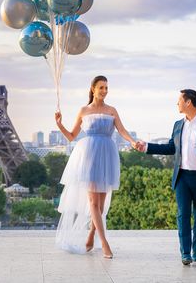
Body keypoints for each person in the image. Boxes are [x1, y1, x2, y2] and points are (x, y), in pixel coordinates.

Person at [135, 89, 196, 265]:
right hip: (182, 177)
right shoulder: (178, 124)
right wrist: (146, 147)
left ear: (188, 102)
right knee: (182, 214)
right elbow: (171, 148)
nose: (177, 103)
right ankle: (185, 253)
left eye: (179, 100)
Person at [54, 74, 137, 257]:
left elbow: (122, 130)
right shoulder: (84, 110)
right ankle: (105, 244)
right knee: (93, 202)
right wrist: (60, 125)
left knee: (99, 204)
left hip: (107, 155)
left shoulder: (112, 110)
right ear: (93, 89)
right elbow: (71, 136)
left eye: (106, 88)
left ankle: (91, 235)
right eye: (101, 87)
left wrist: (132, 141)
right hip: (89, 156)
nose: (105, 91)